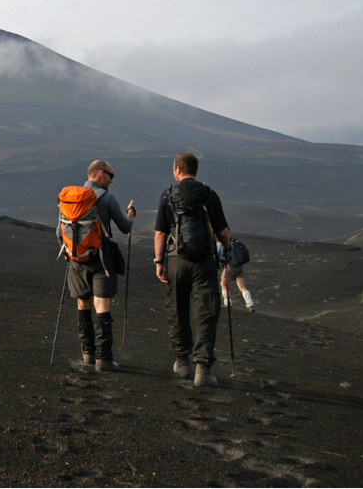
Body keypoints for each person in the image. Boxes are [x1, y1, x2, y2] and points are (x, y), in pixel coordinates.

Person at [153, 152, 231, 387]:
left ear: (177, 169)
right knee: (206, 312)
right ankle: (203, 370)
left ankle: (182, 362)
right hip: (204, 262)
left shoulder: (168, 195)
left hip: (177, 261)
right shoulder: (209, 194)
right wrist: (226, 248)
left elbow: (160, 233)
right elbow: (222, 232)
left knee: (177, 309)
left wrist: (159, 262)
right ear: (194, 171)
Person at [58, 160, 136, 372]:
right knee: (103, 308)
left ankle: (87, 355)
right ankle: (104, 359)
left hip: (76, 260)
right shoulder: (107, 198)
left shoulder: (70, 198)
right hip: (102, 261)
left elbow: (59, 233)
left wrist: (71, 253)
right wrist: (131, 214)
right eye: (111, 175)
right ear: (101, 173)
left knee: (83, 307)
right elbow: (125, 227)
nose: (112, 179)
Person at [217, 242, 256, 312]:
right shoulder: (233, 242)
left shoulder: (220, 244)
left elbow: (219, 255)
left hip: (231, 266)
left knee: (223, 283)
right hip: (239, 265)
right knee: (242, 286)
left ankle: (227, 303)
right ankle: (250, 305)